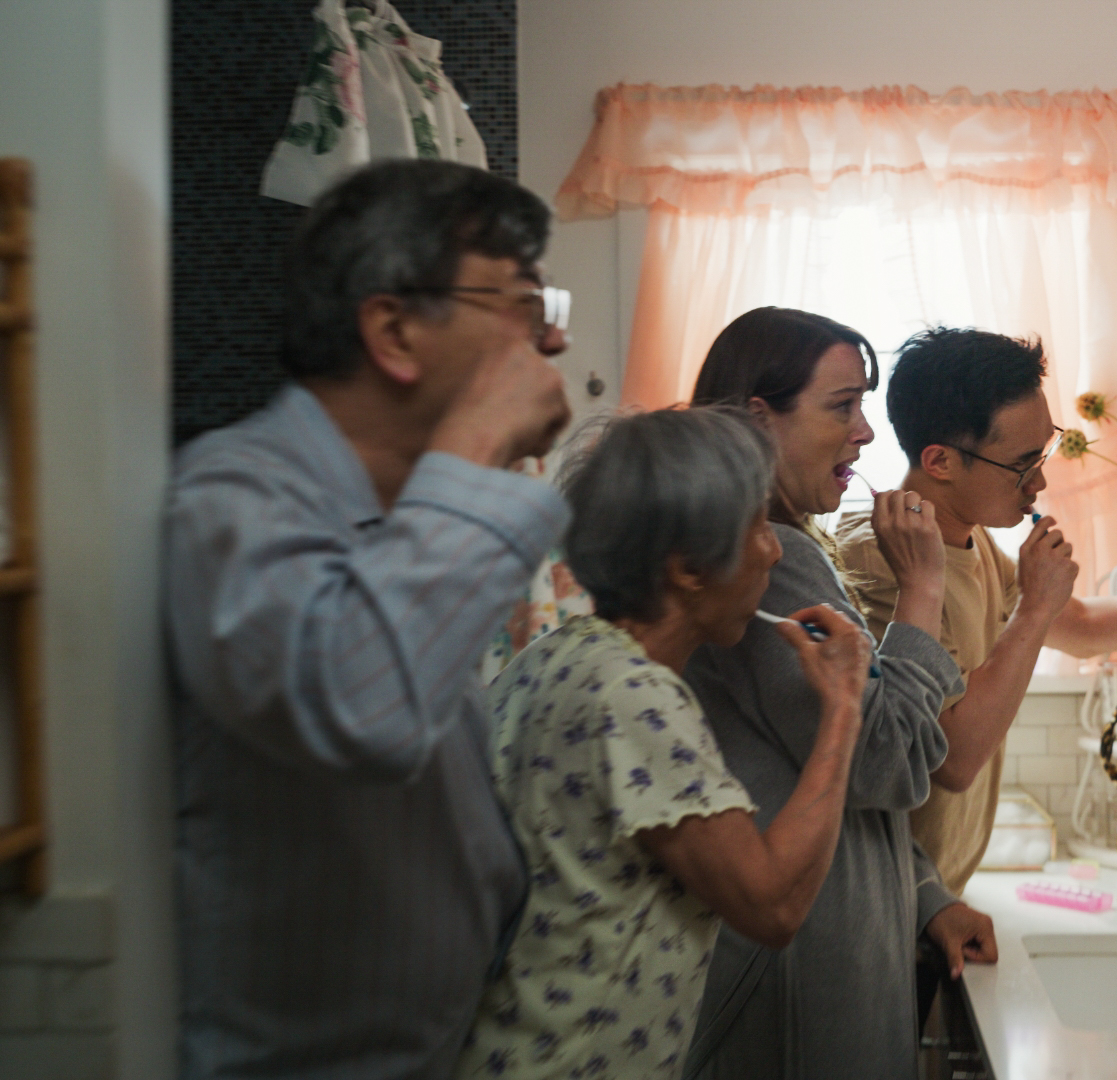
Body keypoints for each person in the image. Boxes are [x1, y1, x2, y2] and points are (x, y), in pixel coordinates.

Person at [166, 160, 572, 1079]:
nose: (547, 342)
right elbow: (364, 702)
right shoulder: (231, 497)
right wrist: (478, 446)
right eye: (518, 303)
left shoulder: (401, 514)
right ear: (393, 330)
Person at [458, 409, 873, 1079]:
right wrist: (845, 708)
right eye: (757, 528)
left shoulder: (548, 661)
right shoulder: (633, 695)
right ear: (686, 566)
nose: (774, 551)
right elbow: (773, 904)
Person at [836, 327, 1117, 896]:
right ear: (939, 461)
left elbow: (1084, 629)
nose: (1039, 480)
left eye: (1046, 450)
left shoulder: (968, 537)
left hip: (938, 896)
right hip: (892, 904)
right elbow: (953, 758)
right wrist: (1033, 611)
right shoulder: (884, 554)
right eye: (1021, 463)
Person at [677, 307, 974, 1080]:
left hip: (829, 954)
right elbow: (887, 763)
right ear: (757, 419)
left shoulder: (785, 548)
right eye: (841, 406)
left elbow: (845, 785)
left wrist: (926, 895)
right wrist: (923, 588)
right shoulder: (768, 565)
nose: (867, 433)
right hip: (796, 980)